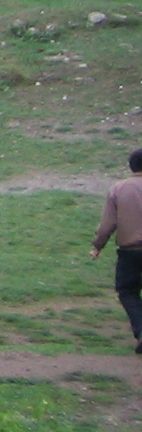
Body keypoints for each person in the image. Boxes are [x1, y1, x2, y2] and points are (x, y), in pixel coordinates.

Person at [91, 148, 142, 353]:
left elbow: (107, 225)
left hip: (130, 251)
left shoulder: (119, 189)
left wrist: (97, 246)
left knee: (128, 291)